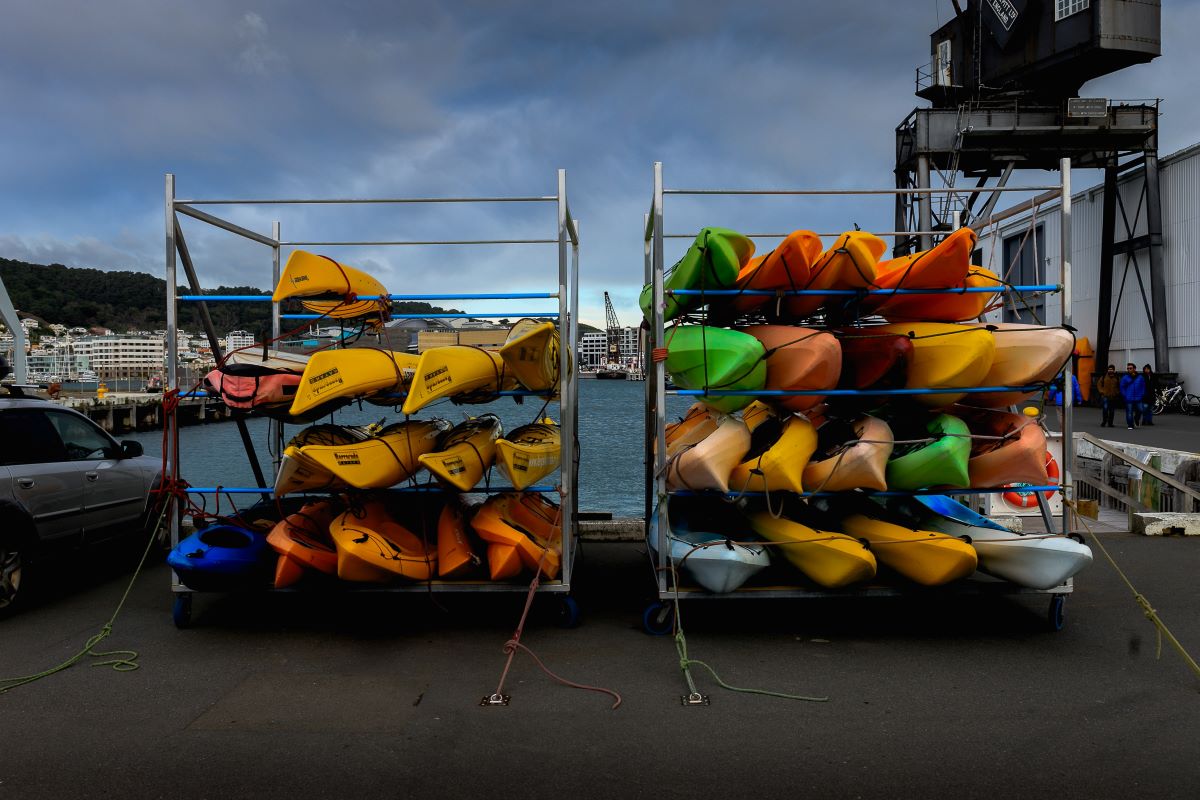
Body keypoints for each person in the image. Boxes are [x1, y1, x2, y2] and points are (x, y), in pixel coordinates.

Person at [1119, 362, 1146, 430]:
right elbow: (1122, 387)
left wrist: (1142, 393)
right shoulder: (1125, 377)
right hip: (1129, 397)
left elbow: (1143, 386)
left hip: (1138, 397)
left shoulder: (1140, 377)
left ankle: (1136, 419)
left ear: (1134, 369)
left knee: (1141, 410)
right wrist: (1125, 395)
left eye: (1130, 368)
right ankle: (1130, 425)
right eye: (1128, 368)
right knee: (1129, 412)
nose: (1129, 370)